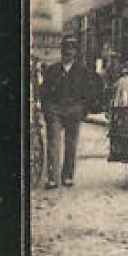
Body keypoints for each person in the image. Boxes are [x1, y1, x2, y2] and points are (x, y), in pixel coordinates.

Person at [39, 36, 103, 189]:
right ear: (62, 52)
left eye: (71, 51)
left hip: (74, 110)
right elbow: (43, 90)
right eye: (66, 51)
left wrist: (83, 108)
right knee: (53, 143)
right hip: (55, 109)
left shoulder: (83, 71)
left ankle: (67, 176)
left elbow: (90, 91)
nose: (68, 53)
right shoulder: (52, 70)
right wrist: (47, 108)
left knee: (71, 144)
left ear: (75, 53)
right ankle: (52, 178)